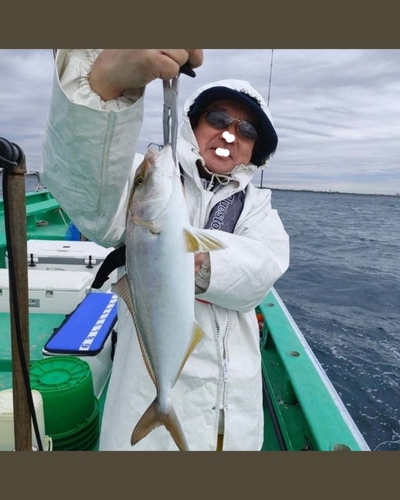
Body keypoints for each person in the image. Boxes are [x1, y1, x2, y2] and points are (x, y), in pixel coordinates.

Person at [42, 49, 290, 451]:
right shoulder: (149, 175)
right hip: (143, 408)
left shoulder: (259, 209)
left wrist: (190, 261)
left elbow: (261, 273)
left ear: (254, 150)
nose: (230, 135)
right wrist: (103, 84)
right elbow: (91, 196)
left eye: (246, 131)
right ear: (193, 125)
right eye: (219, 119)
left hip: (234, 418)